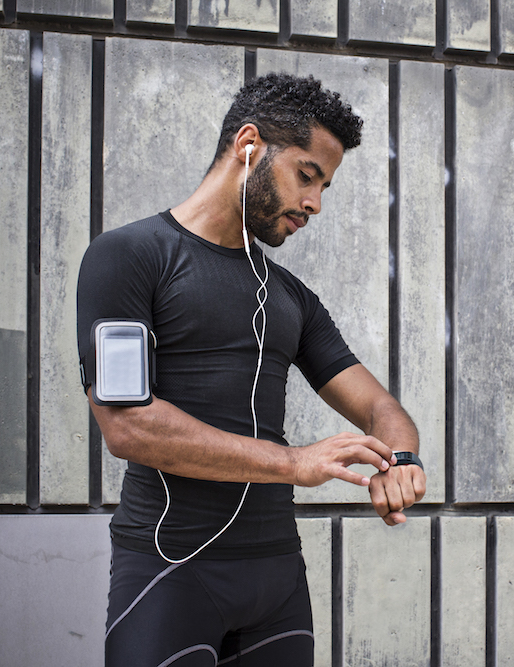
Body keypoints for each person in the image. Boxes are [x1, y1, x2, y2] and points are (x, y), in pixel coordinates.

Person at [76, 72, 426, 667]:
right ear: (249, 145)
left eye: (325, 186)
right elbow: (128, 425)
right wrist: (295, 463)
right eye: (306, 175)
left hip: (277, 583)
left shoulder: (289, 296)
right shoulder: (129, 256)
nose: (314, 202)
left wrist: (402, 462)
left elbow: (379, 408)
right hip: (169, 572)